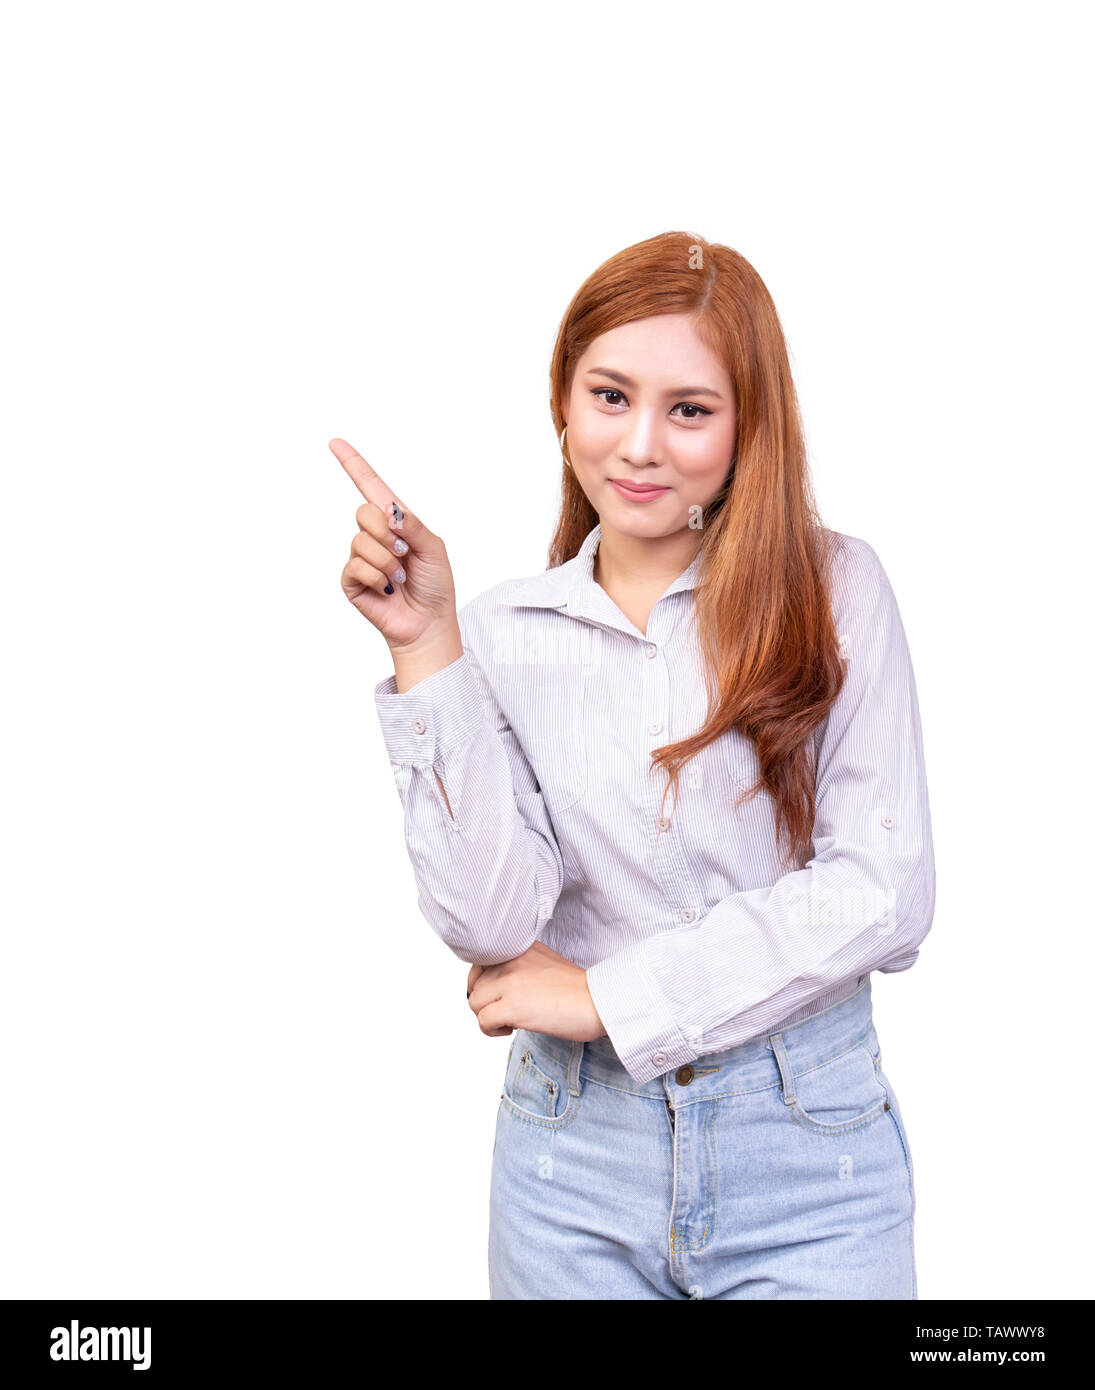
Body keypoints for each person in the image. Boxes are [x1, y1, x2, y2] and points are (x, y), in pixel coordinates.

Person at [332, 229, 935, 1300]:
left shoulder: (838, 591)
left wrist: (614, 995)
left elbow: (881, 895)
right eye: (610, 396)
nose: (641, 445)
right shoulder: (504, 631)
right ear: (562, 404)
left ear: (751, 426)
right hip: (572, 1163)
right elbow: (489, 925)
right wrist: (425, 649)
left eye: (689, 409)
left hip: (808, 1159)